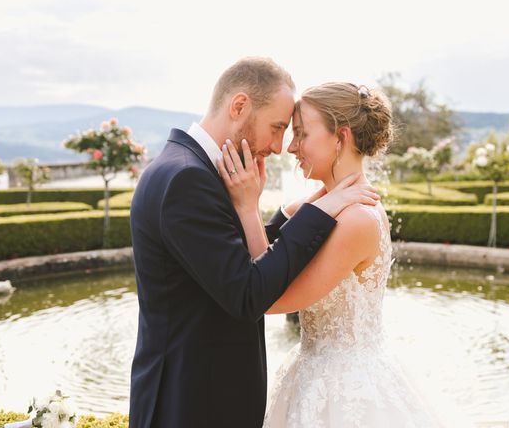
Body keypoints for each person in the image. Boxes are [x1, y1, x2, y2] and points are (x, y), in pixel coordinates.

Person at [128, 59, 380, 428]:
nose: (280, 147)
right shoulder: (186, 179)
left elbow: (225, 256)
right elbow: (248, 291)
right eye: (277, 128)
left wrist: (286, 212)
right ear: (239, 106)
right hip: (191, 407)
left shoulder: (188, 170)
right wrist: (323, 207)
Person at [220, 82, 446, 427]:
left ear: (341, 138)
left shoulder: (357, 219)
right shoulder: (317, 205)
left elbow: (272, 298)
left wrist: (248, 207)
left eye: (301, 133)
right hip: (311, 371)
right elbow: (266, 253)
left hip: (346, 388)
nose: (291, 147)